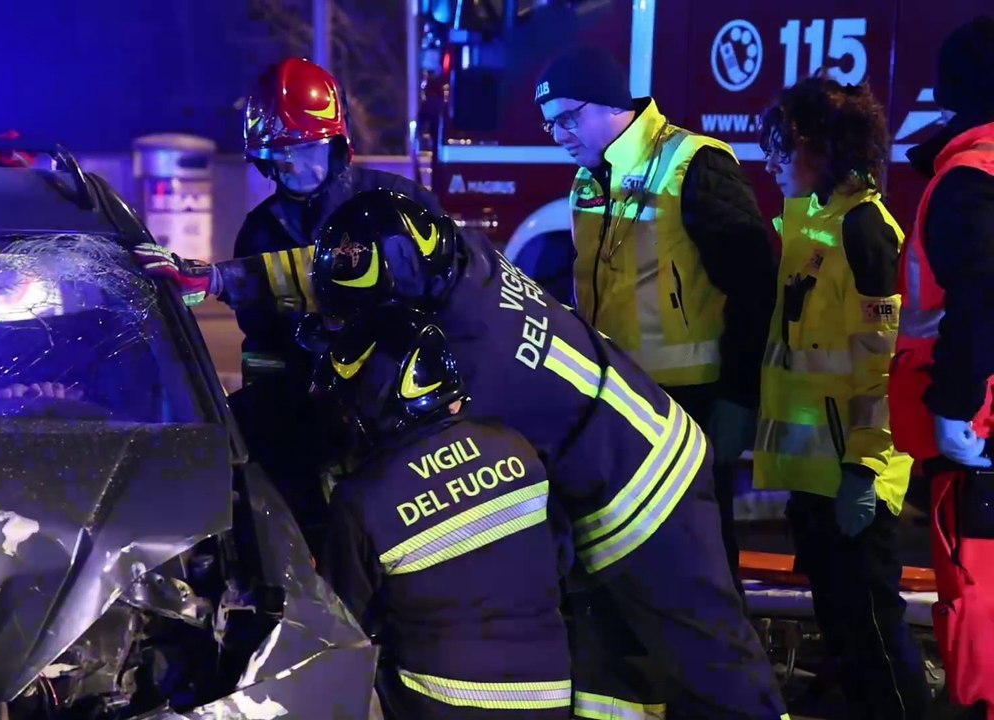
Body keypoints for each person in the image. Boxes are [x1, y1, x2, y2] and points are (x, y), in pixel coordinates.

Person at [177, 187, 789, 718]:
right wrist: (218, 280)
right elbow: (334, 268)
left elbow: (400, 442)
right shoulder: (458, 256)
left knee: (709, 657)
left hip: (646, 488)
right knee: (611, 667)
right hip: (614, 460)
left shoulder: (473, 356)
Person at [151, 56, 449, 547]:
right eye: (284, 155)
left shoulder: (394, 203)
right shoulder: (261, 231)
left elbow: (400, 284)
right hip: (310, 408)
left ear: (337, 144)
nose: (299, 167)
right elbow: (261, 342)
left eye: (310, 149)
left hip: (399, 404)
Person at [533, 45, 777, 588]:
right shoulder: (589, 180)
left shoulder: (693, 164)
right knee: (631, 555)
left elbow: (754, 287)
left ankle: (723, 670)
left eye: (567, 119)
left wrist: (737, 399)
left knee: (702, 560)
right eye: (551, 126)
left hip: (689, 400)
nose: (559, 136)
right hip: (620, 398)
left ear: (610, 105)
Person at [755, 75, 928, 720]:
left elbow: (878, 363)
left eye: (780, 147)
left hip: (853, 483)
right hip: (818, 483)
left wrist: (862, 466)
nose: (770, 161)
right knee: (853, 643)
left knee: (876, 644)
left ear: (820, 146)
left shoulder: (862, 231)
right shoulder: (817, 229)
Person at [314, 306, 572, 720]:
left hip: (442, 704)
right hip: (550, 697)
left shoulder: (362, 499)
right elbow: (561, 558)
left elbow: (338, 624)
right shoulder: (517, 448)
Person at [890, 14, 994, 718]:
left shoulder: (970, 177)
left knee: (976, 589)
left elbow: (980, 298)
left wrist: (955, 408)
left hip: (978, 430)